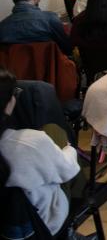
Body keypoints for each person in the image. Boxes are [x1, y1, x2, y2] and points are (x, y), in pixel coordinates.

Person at [0, 68, 82, 236]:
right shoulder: (29, 142)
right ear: (8, 103)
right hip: (38, 224)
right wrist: (69, 149)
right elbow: (68, 170)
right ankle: (70, 232)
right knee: (55, 132)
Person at [0, 0, 72, 55]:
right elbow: (66, 48)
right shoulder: (50, 18)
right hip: (50, 65)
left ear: (13, 0)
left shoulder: (2, 27)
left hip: (14, 66)